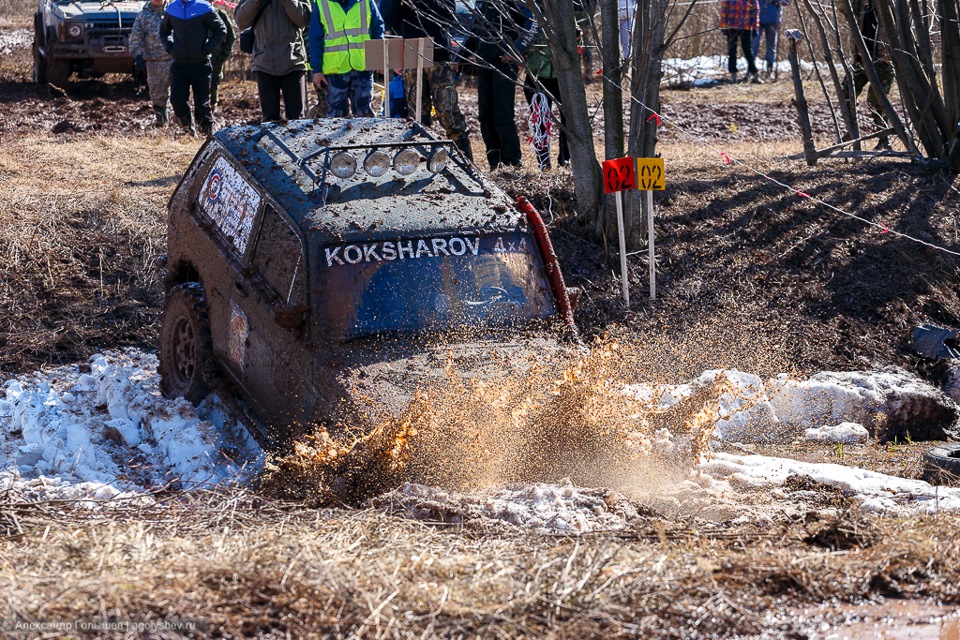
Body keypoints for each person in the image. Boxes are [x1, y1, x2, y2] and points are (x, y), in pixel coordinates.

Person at [380, 0, 474, 160]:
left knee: (448, 112)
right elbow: (390, 20)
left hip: (439, 58)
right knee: (417, 116)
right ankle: (422, 160)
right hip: (412, 57)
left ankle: (465, 162)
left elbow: (449, 15)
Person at [463, 0, 534, 170]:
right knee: (485, 116)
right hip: (483, 63)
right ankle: (494, 163)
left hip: (504, 63)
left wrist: (516, 50)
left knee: (502, 114)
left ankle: (512, 161)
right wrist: (459, 58)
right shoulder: (481, 3)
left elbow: (532, 23)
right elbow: (474, 33)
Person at [160, 0, 228, 135]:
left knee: (202, 106)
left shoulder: (204, 8)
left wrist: (207, 49)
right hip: (180, 66)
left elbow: (221, 30)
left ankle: (207, 136)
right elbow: (164, 32)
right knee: (177, 100)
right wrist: (170, 48)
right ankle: (188, 131)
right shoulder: (172, 9)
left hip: (201, 65)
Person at [236, 0, 311, 121]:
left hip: (293, 61)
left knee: (296, 119)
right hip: (264, 62)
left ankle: (296, 141)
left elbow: (304, 20)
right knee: (269, 120)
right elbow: (241, 21)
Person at [308, 0, 384, 117]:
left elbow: (377, 31)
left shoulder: (367, 2)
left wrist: (379, 59)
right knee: (335, 118)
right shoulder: (322, 3)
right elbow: (315, 39)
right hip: (334, 71)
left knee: (364, 115)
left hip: (362, 67)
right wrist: (317, 70)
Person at [840, 0, 893, 149]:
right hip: (860, 59)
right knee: (846, 92)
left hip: (883, 62)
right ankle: (852, 132)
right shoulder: (860, 5)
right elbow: (842, 7)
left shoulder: (890, 6)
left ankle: (883, 139)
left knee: (876, 101)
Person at [524, 29, 568, 171]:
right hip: (536, 79)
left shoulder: (564, 15)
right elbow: (522, 42)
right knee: (540, 121)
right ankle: (544, 163)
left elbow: (577, 47)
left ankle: (566, 160)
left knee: (568, 122)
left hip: (562, 79)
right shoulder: (531, 19)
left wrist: (577, 36)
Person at [130, 0, 173, 127]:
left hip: (176, 60)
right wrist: (138, 56)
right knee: (158, 97)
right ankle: (162, 126)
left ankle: (186, 128)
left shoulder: (175, 11)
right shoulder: (143, 16)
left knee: (180, 95)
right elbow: (135, 39)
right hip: (155, 63)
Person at [719, 0, 762, 84]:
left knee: (748, 51)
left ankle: (754, 73)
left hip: (745, 27)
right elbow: (724, 10)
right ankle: (733, 74)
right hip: (731, 26)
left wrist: (754, 26)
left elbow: (755, 10)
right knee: (732, 50)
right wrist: (723, 26)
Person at [209, 2, 236, 112]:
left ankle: (212, 111)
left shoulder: (221, 15)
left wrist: (223, 56)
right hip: (198, 58)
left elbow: (231, 37)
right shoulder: (196, 14)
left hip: (216, 59)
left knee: (214, 84)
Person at [751, 0, 787, 79]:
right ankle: (751, 70)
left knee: (771, 46)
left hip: (773, 19)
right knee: (753, 44)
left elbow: (785, 2)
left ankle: (770, 70)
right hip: (756, 18)